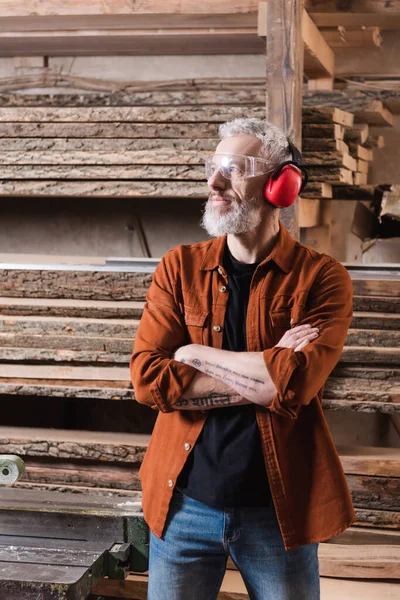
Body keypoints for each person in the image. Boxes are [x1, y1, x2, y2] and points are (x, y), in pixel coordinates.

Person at [130, 117, 356, 600]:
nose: (214, 181)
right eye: (213, 166)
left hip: (278, 512)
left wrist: (193, 354)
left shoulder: (322, 279)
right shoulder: (179, 267)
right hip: (182, 505)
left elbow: (294, 386)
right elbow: (150, 382)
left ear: (281, 184)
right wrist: (268, 369)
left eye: (234, 167)